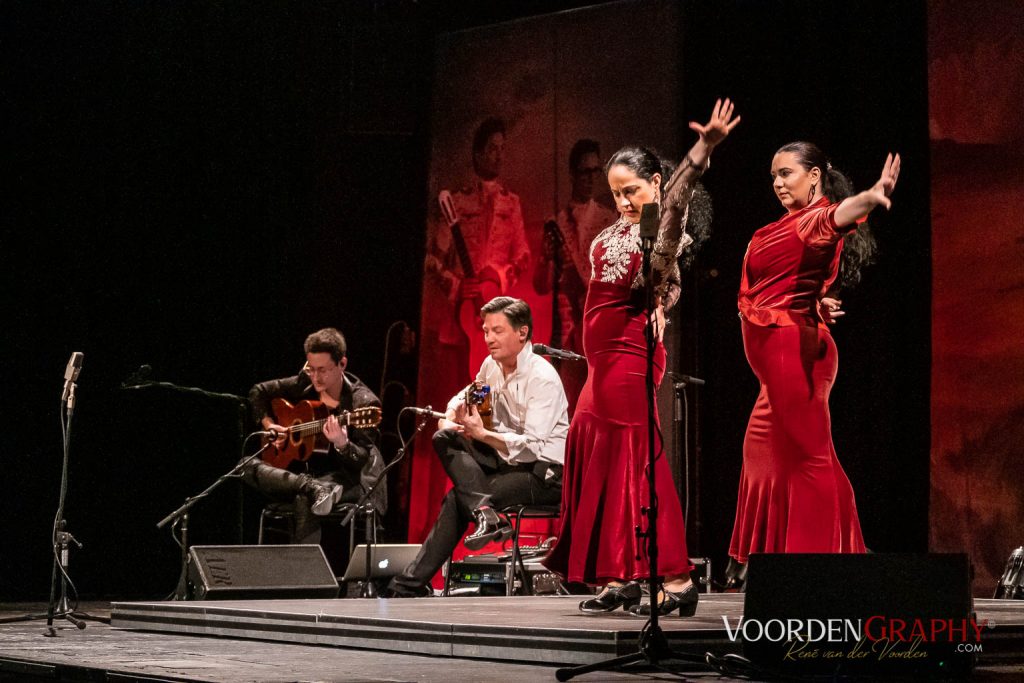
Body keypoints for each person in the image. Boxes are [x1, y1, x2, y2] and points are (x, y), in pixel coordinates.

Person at [543, 100, 741, 617]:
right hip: (601, 364)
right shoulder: (607, 235)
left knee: (638, 458)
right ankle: (619, 573)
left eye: (632, 189)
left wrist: (704, 148)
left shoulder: (665, 229)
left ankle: (675, 576)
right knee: (598, 450)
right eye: (616, 193)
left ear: (655, 182)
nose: (624, 201)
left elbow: (671, 222)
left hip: (630, 357)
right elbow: (638, 290)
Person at [726, 142, 901, 584]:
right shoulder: (785, 225)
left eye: (786, 173)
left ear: (815, 176)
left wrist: (872, 195)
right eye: (773, 176)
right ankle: (768, 560)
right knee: (761, 453)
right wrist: (818, 300)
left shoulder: (815, 220)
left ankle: (826, 561)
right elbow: (785, 283)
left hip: (795, 355)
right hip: (779, 358)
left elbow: (841, 215)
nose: (778, 183)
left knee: (810, 458)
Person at [386, 297, 568, 597]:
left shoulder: (543, 378)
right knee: (443, 437)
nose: (489, 339)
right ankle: (485, 512)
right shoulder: (491, 366)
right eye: (486, 331)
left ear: (522, 333)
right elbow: (471, 392)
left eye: (497, 331)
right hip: (509, 461)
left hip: (546, 474)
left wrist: (482, 435)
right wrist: (451, 412)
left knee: (459, 499)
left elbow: (533, 448)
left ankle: (408, 585)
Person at [243, 328, 386, 543]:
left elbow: (361, 460)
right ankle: (310, 487)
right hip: (304, 475)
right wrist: (269, 424)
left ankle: (304, 573)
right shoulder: (306, 381)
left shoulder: (363, 403)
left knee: (305, 499)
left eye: (323, 370)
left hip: (348, 480)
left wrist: (342, 443)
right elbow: (257, 392)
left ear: (342, 364)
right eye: (311, 369)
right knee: (245, 466)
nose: (315, 377)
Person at [425, 117, 531, 379]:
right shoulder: (456, 200)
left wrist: (499, 277)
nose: (498, 156)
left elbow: (524, 256)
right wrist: (458, 285)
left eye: (502, 149)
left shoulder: (512, 202)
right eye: (492, 148)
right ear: (478, 153)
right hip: (458, 317)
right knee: (458, 387)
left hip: (497, 313)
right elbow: (432, 260)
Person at [533, 139, 618, 410]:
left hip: (598, 329)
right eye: (585, 172)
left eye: (596, 171)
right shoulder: (556, 222)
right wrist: (547, 258)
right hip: (566, 332)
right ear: (572, 174)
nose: (592, 178)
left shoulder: (609, 219)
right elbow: (541, 286)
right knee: (564, 408)